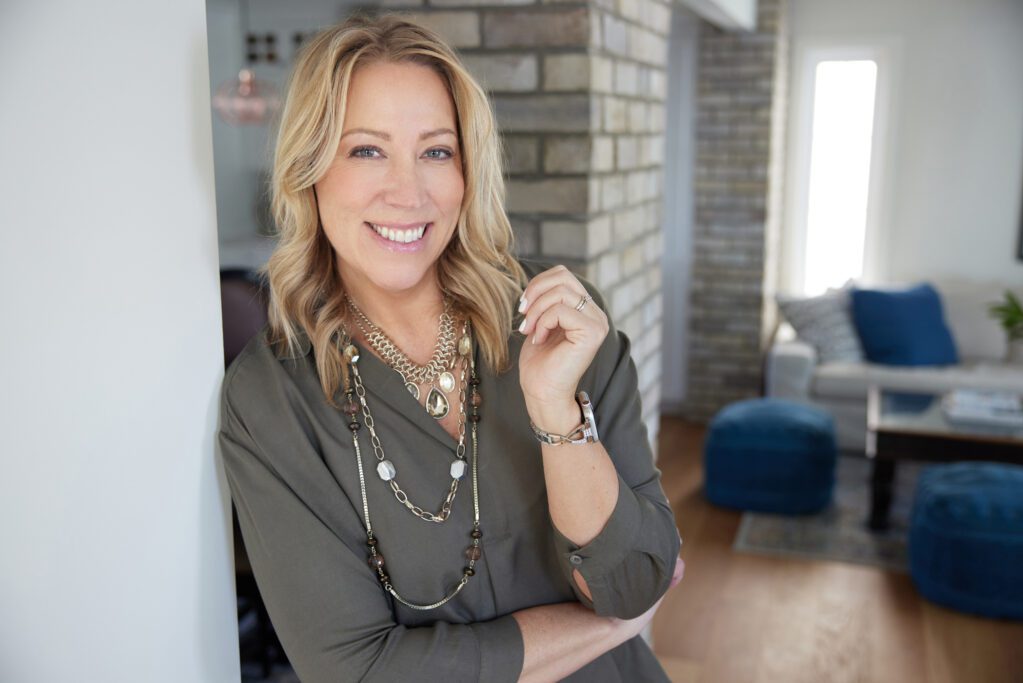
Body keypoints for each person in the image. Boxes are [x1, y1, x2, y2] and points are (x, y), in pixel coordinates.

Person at [218, 13, 683, 683]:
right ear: (310, 169)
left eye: (437, 150)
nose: (407, 192)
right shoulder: (270, 401)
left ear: (469, 172)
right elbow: (358, 670)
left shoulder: (563, 329)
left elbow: (637, 578)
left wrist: (557, 413)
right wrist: (604, 628)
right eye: (366, 150)